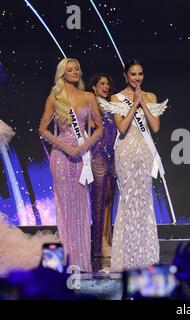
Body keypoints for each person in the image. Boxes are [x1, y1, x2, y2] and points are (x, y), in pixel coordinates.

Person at [39, 58, 104, 272]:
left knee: (81, 210)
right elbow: (43, 130)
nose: (75, 72)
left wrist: (85, 145)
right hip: (62, 159)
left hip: (82, 159)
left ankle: (82, 263)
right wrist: (66, 148)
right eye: (70, 69)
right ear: (62, 74)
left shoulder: (88, 97)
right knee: (65, 211)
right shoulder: (54, 98)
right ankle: (66, 263)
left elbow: (99, 128)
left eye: (77, 68)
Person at [107, 59, 167, 271]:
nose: (137, 78)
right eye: (133, 74)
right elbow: (122, 128)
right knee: (128, 199)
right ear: (125, 75)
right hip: (126, 151)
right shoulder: (116, 98)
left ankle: (146, 255)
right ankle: (127, 256)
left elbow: (156, 127)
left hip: (144, 151)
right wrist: (134, 105)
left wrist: (143, 104)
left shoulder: (151, 96)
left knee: (144, 200)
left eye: (140, 74)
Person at [88, 73, 116, 258]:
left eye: (108, 84)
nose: (105, 87)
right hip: (98, 156)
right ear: (94, 87)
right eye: (102, 84)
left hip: (113, 157)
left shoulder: (111, 108)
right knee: (97, 202)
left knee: (108, 201)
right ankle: (96, 247)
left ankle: (107, 241)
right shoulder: (91, 106)